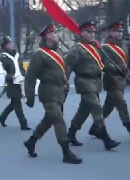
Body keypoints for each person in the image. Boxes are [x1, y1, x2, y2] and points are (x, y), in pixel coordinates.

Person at [23, 23, 82, 164]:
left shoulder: (59, 51)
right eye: (55, 33)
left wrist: (65, 85)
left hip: (59, 91)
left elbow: (63, 70)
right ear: (48, 36)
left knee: (49, 120)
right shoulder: (40, 55)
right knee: (59, 120)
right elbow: (30, 77)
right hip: (48, 92)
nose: (57, 35)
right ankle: (66, 152)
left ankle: (31, 141)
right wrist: (30, 97)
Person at [65, 20, 120, 150]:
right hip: (84, 81)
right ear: (82, 33)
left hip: (95, 82)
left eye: (93, 32)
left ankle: (71, 133)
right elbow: (67, 67)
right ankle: (105, 137)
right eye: (89, 32)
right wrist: (64, 82)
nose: (92, 34)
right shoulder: (76, 49)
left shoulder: (95, 46)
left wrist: (117, 70)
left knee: (83, 110)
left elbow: (103, 64)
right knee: (96, 108)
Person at [95, 21, 130, 143]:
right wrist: (116, 69)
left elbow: (127, 63)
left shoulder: (124, 45)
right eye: (116, 31)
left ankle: (95, 127)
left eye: (120, 31)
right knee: (121, 104)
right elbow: (103, 65)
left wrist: (128, 75)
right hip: (111, 80)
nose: (119, 33)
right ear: (110, 32)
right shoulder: (105, 48)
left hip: (122, 79)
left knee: (108, 107)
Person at [0, 36, 31, 130]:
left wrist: (25, 74)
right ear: (5, 46)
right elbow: (0, 72)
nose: (11, 44)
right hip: (11, 83)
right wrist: (10, 77)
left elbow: (21, 68)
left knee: (14, 103)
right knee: (17, 104)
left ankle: (2, 117)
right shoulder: (2, 57)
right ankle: (23, 124)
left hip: (20, 81)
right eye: (9, 43)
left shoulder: (17, 54)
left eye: (12, 42)